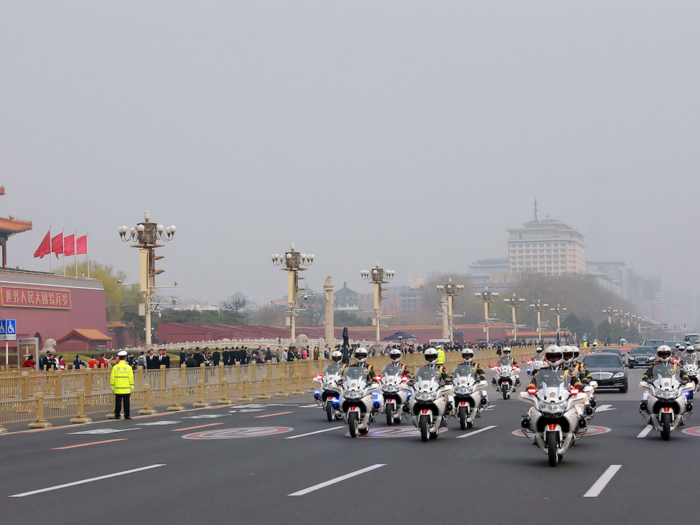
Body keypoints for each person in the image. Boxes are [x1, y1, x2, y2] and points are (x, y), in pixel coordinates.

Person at [110, 350, 134, 420]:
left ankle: (117, 415)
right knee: (126, 404)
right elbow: (131, 379)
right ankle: (127, 415)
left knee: (118, 403)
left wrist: (113, 388)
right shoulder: (128, 367)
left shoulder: (115, 367)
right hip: (126, 389)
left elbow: (112, 379)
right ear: (125, 358)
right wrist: (131, 388)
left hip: (117, 389)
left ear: (118, 358)